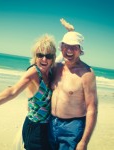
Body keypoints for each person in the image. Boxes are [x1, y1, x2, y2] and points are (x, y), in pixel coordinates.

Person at [0, 34, 56, 150]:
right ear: (35, 56)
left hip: (48, 128)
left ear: (53, 58)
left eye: (48, 56)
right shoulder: (33, 73)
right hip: (35, 128)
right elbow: (12, 91)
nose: (44, 59)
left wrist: (70, 33)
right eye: (40, 55)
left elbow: (63, 57)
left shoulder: (51, 72)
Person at [48, 18, 98, 150]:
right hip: (50, 123)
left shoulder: (87, 74)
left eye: (74, 47)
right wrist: (71, 31)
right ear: (61, 48)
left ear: (80, 50)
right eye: (66, 46)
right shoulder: (56, 67)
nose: (69, 50)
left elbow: (92, 109)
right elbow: (39, 65)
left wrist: (84, 142)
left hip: (72, 128)